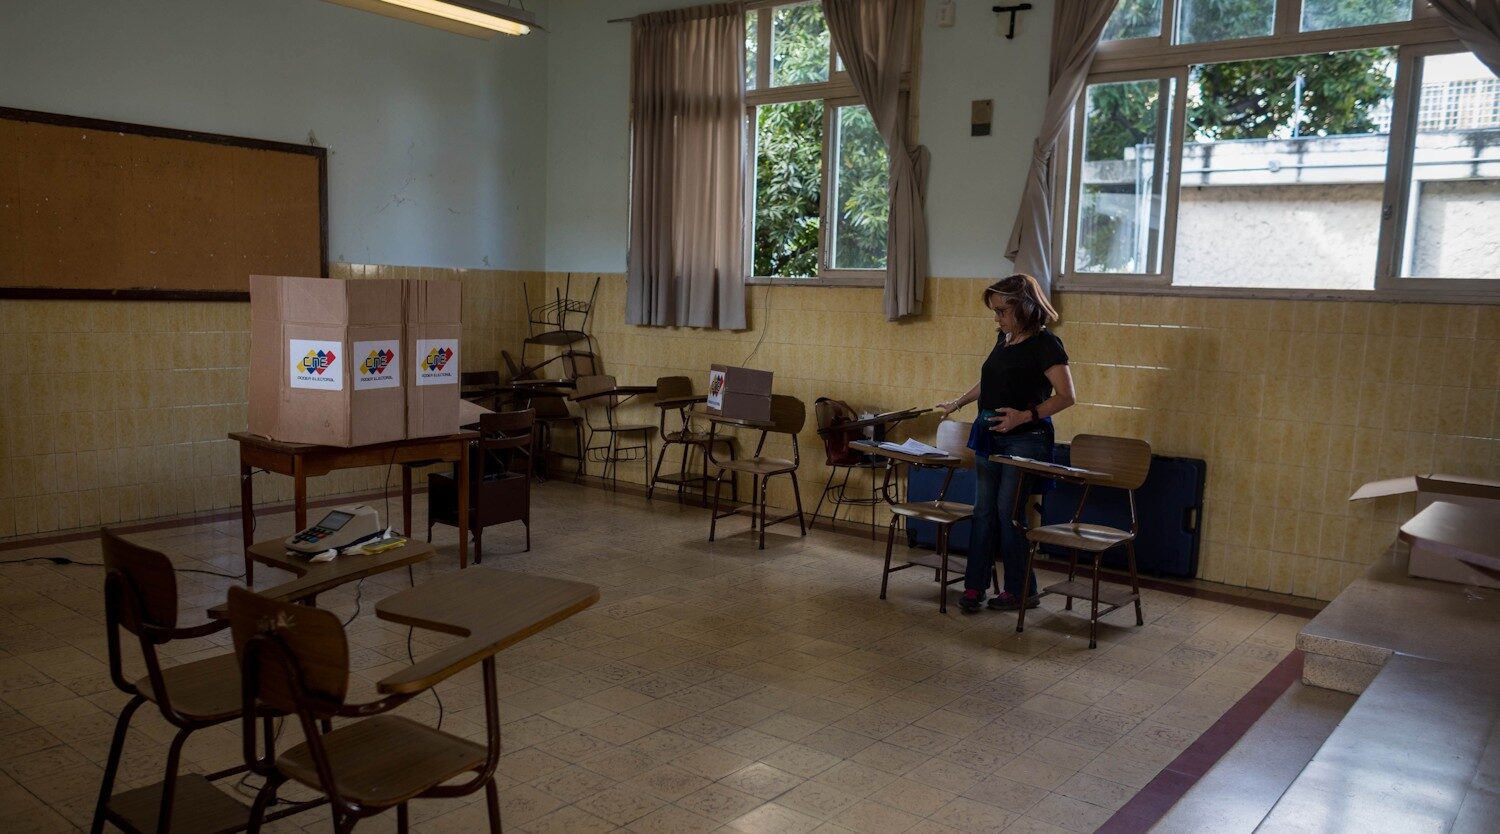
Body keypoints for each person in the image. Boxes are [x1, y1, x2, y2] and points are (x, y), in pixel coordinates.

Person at [935, 274, 1075, 614]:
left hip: (1025, 440)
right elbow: (990, 381)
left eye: (1001, 311)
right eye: (995, 312)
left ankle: (1020, 589)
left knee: (1008, 513)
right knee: (983, 511)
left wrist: (1024, 416)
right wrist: (957, 403)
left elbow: (1066, 396)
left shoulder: (1046, 344)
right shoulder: (1005, 338)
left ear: (1024, 307)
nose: (997, 319)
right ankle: (975, 586)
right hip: (989, 436)